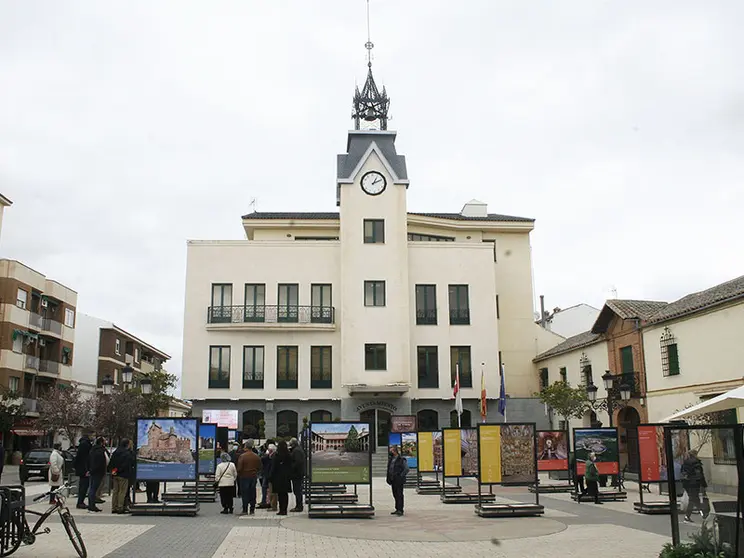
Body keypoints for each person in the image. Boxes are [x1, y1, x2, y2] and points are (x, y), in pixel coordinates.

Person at [681, 449, 708, 522]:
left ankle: (698, 514)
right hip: (694, 483)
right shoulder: (696, 463)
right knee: (694, 499)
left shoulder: (685, 462)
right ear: (695, 454)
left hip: (687, 484)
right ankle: (702, 513)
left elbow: (683, 473)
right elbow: (699, 475)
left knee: (694, 499)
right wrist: (703, 484)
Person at [237, 439, 262, 515]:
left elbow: (239, 468)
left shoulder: (242, 456)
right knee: (252, 492)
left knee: (245, 493)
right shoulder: (256, 456)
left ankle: (245, 510)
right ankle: (252, 509)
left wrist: (238, 473)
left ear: (246, 447)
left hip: (244, 476)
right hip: (253, 476)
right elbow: (260, 467)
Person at [109, 439, 134, 514]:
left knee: (115, 491)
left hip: (115, 474)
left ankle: (114, 507)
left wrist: (114, 471)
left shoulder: (115, 452)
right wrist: (120, 470)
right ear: (127, 445)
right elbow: (126, 464)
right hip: (123, 475)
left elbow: (111, 463)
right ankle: (120, 508)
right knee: (122, 492)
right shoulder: (127, 454)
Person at [270, 441, 293, 515]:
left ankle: (281, 509)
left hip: (278, 477)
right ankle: (285, 509)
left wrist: (270, 476)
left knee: (280, 494)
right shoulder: (289, 455)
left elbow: (273, 467)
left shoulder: (277, 455)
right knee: (285, 494)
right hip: (286, 477)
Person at [387, 445, 409, 516]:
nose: (390, 451)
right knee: (395, 494)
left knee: (399, 494)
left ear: (395, 451)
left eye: (391, 450)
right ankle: (397, 509)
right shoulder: (391, 459)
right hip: (393, 480)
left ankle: (400, 510)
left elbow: (406, 469)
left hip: (399, 480)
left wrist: (400, 476)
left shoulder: (401, 459)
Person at [87, 437, 107, 513]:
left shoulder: (93, 450)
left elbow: (89, 460)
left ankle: (91, 504)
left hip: (93, 471)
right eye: (105, 441)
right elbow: (100, 462)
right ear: (101, 442)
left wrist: (89, 469)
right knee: (93, 489)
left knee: (92, 488)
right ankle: (91, 505)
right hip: (98, 472)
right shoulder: (100, 451)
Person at [74, 433, 92, 510]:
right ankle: (80, 502)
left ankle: (80, 501)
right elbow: (86, 459)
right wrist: (87, 469)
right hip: (84, 469)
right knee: (84, 486)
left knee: (83, 485)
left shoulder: (82, 444)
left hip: (82, 469)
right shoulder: (86, 445)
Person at [288, 437, 306, 512]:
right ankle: (298, 505)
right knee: (297, 490)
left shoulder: (297, 451)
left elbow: (297, 463)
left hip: (297, 474)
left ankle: (299, 506)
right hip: (298, 473)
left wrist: (291, 467)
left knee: (297, 491)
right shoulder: (298, 449)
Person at [258, 441, 275, 509]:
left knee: (267, 488)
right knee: (265, 488)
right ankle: (265, 501)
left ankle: (268, 502)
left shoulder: (273, 456)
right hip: (267, 474)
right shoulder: (268, 456)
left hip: (269, 474)